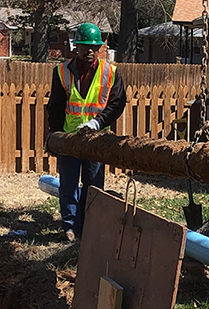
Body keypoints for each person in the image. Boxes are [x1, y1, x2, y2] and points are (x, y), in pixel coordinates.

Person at [47, 23, 126, 242]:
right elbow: (55, 105)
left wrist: (98, 123)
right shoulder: (62, 71)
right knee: (69, 185)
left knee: (93, 185)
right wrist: (54, 136)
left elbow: (117, 103)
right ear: (76, 47)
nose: (89, 51)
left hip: (96, 140)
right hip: (70, 138)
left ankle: (89, 225)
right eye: (84, 46)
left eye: (93, 47)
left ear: (100, 47)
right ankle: (71, 228)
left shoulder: (110, 73)